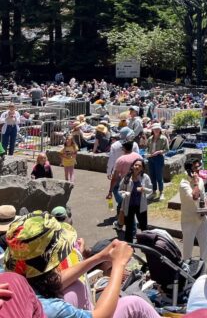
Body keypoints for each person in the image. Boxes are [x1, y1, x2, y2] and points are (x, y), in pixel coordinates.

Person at [4, 211, 160, 318]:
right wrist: (118, 264)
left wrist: (99, 257)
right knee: (134, 304)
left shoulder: (14, 280)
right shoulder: (53, 308)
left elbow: (54, 280)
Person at [180, 158, 207, 264]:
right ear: (189, 170)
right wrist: (196, 183)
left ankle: (203, 268)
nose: (198, 169)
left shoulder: (201, 180)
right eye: (195, 167)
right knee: (188, 247)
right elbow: (194, 196)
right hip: (189, 220)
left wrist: (206, 205)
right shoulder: (184, 184)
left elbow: (203, 196)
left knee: (204, 245)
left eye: (199, 166)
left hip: (202, 218)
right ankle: (186, 269)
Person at [118, 157, 152, 243]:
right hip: (129, 206)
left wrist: (143, 189)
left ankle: (145, 242)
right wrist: (124, 194)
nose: (137, 167)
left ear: (142, 168)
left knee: (143, 226)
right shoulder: (127, 177)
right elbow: (120, 190)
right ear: (132, 166)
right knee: (129, 227)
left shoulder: (145, 177)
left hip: (141, 206)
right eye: (135, 165)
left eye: (139, 166)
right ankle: (129, 245)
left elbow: (150, 189)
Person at [106, 128, 138, 209]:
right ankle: (126, 204)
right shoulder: (134, 144)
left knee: (115, 188)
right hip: (131, 171)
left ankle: (121, 202)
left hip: (117, 171)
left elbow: (111, 160)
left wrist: (109, 172)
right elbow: (138, 158)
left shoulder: (114, 145)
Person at [146, 123, 168, 199]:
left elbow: (167, 149)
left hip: (159, 158)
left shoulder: (163, 138)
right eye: (155, 129)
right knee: (152, 176)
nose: (156, 130)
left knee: (159, 176)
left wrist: (159, 152)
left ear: (160, 130)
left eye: (158, 129)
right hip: (150, 158)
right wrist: (147, 154)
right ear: (152, 130)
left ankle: (161, 192)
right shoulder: (150, 138)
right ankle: (154, 191)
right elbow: (147, 148)